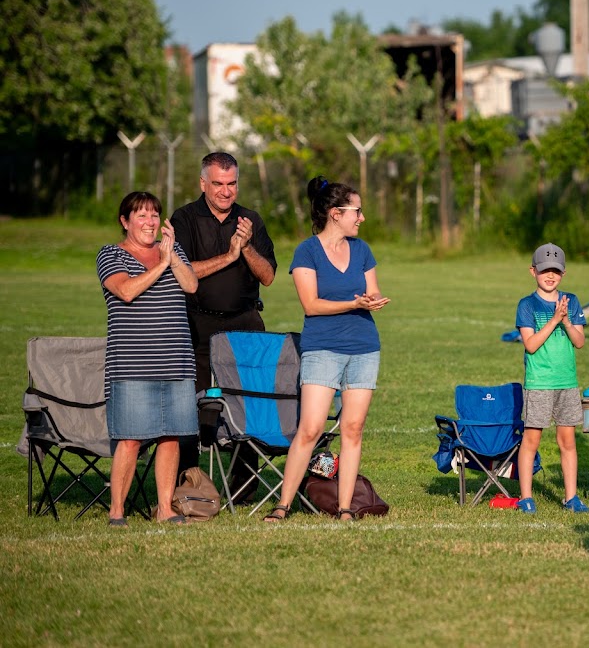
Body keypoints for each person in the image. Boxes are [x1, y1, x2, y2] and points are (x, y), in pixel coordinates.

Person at [264, 176, 389, 522]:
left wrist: (373, 300)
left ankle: (345, 507)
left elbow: (372, 290)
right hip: (323, 349)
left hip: (364, 348)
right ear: (335, 213)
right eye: (356, 211)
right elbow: (312, 305)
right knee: (311, 428)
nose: (361, 218)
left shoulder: (362, 250)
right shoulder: (307, 251)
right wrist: (353, 303)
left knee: (353, 428)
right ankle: (282, 505)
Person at [171, 152, 277, 498]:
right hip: (197, 325)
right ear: (203, 183)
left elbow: (269, 276)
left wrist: (245, 248)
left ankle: (244, 484)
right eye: (218, 183)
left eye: (231, 184)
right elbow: (181, 271)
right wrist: (228, 257)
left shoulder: (251, 219)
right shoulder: (185, 218)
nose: (225, 191)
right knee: (191, 405)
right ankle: (188, 483)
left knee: (249, 400)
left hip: (245, 323)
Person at [96, 191, 199, 526]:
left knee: (171, 436)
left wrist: (173, 257)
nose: (150, 222)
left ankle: (166, 508)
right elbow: (126, 290)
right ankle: (117, 511)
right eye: (141, 215)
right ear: (125, 222)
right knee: (130, 438)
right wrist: (162, 265)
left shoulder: (172, 250)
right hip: (133, 364)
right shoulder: (111, 254)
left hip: (177, 360)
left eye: (154, 215)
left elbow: (192, 285)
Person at [514, 243, 589, 514]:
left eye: (555, 271)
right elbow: (531, 345)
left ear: (563, 273)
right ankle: (526, 497)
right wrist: (554, 319)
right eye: (545, 270)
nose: (550, 276)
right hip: (539, 383)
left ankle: (571, 498)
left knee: (567, 442)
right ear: (533, 271)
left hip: (566, 382)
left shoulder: (572, 301)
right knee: (531, 440)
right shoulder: (527, 305)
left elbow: (580, 342)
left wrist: (567, 320)